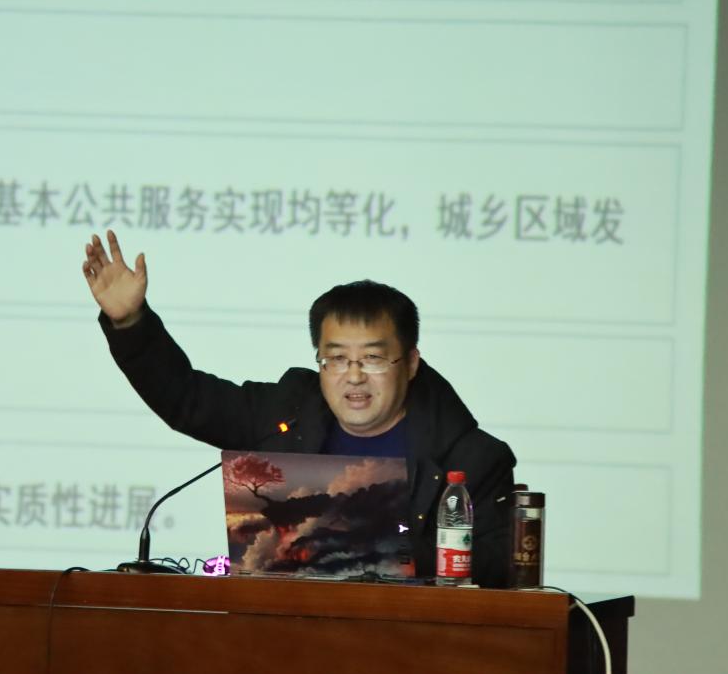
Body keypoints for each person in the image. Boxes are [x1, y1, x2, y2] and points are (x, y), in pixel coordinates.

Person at [82, 230, 516, 587]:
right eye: (336, 359)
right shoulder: (285, 414)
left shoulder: (472, 458)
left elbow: (498, 572)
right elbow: (186, 398)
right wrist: (131, 323)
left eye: (373, 358)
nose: (354, 376)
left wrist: (386, 551)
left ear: (411, 362)